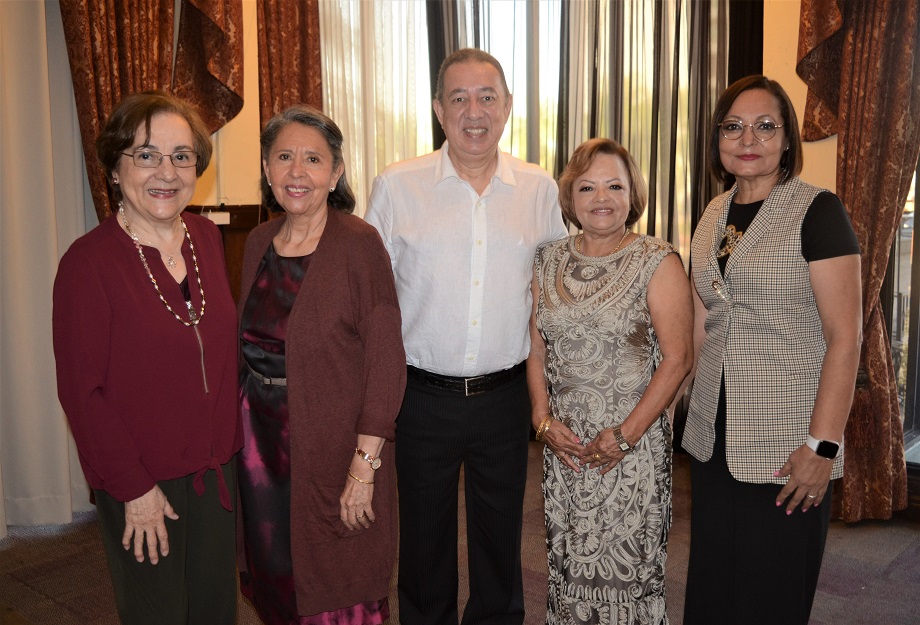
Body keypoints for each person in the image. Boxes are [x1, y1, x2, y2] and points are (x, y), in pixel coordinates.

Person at [365, 48, 569, 625]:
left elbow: (554, 292)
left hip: (504, 399)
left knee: (500, 543)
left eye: (486, 97)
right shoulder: (397, 186)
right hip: (421, 398)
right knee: (424, 548)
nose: (473, 111)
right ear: (438, 109)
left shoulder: (537, 188)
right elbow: (372, 298)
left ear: (507, 109)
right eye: (458, 98)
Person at [52, 91, 242, 625]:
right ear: (115, 167)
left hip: (215, 472)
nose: (167, 171)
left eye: (182, 156)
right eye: (146, 154)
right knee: (157, 612)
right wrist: (134, 489)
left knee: (213, 609)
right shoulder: (88, 264)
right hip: (143, 478)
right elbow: (81, 393)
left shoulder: (206, 238)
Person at [682, 75, 862, 624]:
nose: (748, 138)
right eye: (733, 127)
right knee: (714, 588)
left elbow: (844, 337)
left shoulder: (818, 210)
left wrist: (822, 447)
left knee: (770, 596)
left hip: (788, 445)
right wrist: (681, 407)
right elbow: (703, 318)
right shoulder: (713, 211)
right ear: (717, 139)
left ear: (787, 139)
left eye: (765, 126)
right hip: (714, 437)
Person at [237, 105, 406, 625]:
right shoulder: (257, 242)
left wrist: (365, 466)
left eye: (313, 159)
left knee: (338, 581)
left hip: (333, 447)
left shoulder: (358, 244)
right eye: (284, 157)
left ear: (334, 174)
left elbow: (386, 361)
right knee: (276, 573)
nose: (296, 171)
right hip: (260, 444)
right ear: (266, 169)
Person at [526, 138, 693, 624]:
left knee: (628, 579)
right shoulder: (546, 260)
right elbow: (535, 349)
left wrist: (625, 436)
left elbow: (678, 359)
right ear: (570, 198)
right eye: (588, 186)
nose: (602, 197)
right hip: (564, 449)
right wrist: (541, 419)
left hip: (631, 453)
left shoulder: (656, 260)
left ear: (632, 193)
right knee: (567, 567)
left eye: (615, 185)